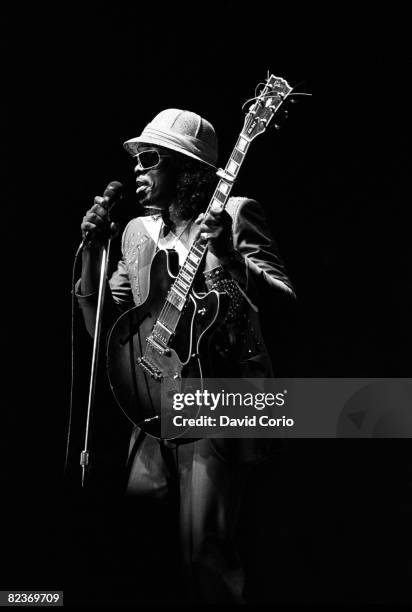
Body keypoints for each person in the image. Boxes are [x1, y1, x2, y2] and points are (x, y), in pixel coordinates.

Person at [76, 108, 295, 603]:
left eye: (149, 158)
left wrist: (234, 262)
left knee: (204, 557)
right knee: (138, 550)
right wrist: (92, 253)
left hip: (217, 400)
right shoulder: (134, 234)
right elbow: (107, 336)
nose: (137, 168)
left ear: (184, 166)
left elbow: (286, 303)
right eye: (135, 159)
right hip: (150, 407)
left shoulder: (234, 214)